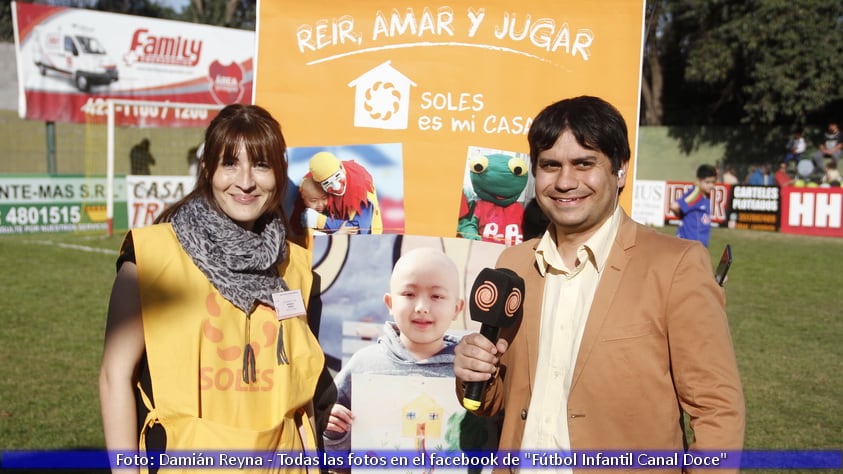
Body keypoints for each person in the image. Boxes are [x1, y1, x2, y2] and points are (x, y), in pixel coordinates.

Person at [453, 96, 745, 472]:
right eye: (550, 165)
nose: (564, 181)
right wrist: (475, 377)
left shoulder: (676, 265)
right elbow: (500, 404)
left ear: (620, 170)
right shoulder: (514, 264)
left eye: (584, 164)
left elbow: (717, 407)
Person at [99, 104, 326, 470]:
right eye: (230, 163)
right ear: (208, 170)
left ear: (279, 175)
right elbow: (114, 376)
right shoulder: (151, 254)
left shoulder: (296, 267)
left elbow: (302, 393)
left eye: (262, 165)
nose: (246, 180)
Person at [324, 247, 494, 456]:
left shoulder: (471, 373)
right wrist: (333, 432)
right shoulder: (364, 365)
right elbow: (331, 453)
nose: (422, 306)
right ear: (390, 303)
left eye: (437, 296)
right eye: (409, 294)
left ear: (457, 309)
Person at [309, 151, 383, 234]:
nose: (336, 187)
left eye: (337, 177)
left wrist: (317, 220)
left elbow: (357, 229)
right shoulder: (313, 183)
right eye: (327, 183)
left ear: (342, 167)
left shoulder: (362, 187)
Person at [670, 164, 717, 247]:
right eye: (707, 182)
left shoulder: (705, 195)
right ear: (699, 181)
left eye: (713, 182)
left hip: (698, 246)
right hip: (690, 246)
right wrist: (680, 214)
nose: (711, 185)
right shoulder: (697, 194)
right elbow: (674, 206)